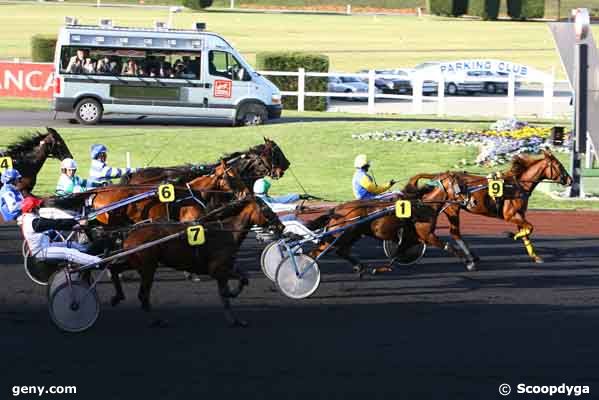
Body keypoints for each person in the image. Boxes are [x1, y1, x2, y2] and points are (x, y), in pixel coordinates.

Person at [19, 196, 101, 267]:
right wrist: (77, 222)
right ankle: (99, 262)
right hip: (41, 251)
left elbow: (55, 225)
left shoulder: (29, 218)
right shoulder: (34, 222)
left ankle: (89, 253)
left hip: (46, 245)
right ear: (31, 209)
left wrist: (73, 226)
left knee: (71, 244)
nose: (39, 208)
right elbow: (56, 224)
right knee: (69, 252)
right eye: (37, 207)